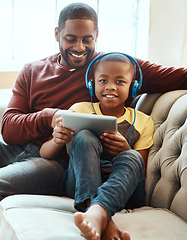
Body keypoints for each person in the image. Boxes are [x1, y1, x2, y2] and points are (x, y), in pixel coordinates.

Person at [0, 3, 187, 240]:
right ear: (57, 34)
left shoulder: (110, 68)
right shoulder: (33, 70)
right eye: (71, 39)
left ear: (96, 35)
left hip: (56, 161)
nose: (79, 47)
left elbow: (178, 75)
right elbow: (9, 128)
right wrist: (50, 116)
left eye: (87, 39)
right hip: (26, 147)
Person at [40, 52, 154, 240]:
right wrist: (56, 139)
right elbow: (45, 154)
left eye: (120, 82)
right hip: (80, 186)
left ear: (133, 88)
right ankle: (100, 215)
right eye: (103, 81)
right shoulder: (78, 110)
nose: (110, 87)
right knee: (84, 136)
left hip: (124, 191)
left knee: (132, 156)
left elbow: (141, 166)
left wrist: (125, 149)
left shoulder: (143, 121)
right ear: (92, 85)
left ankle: (97, 213)